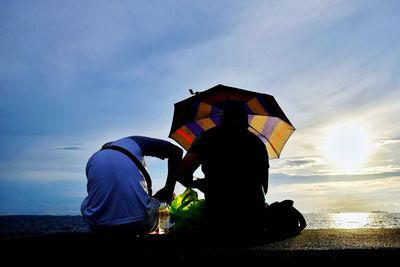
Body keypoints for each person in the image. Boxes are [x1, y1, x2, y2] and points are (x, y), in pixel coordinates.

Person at [177, 104, 270, 237]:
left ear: (221, 120)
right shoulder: (258, 144)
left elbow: (181, 173)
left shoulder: (206, 138)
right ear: (246, 122)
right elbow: (264, 187)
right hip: (254, 220)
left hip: (218, 219)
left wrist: (201, 184)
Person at [81, 136, 183, 236]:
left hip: (98, 227)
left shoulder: (92, 160)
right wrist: (169, 188)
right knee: (163, 202)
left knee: (86, 202)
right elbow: (176, 151)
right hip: (140, 223)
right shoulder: (134, 142)